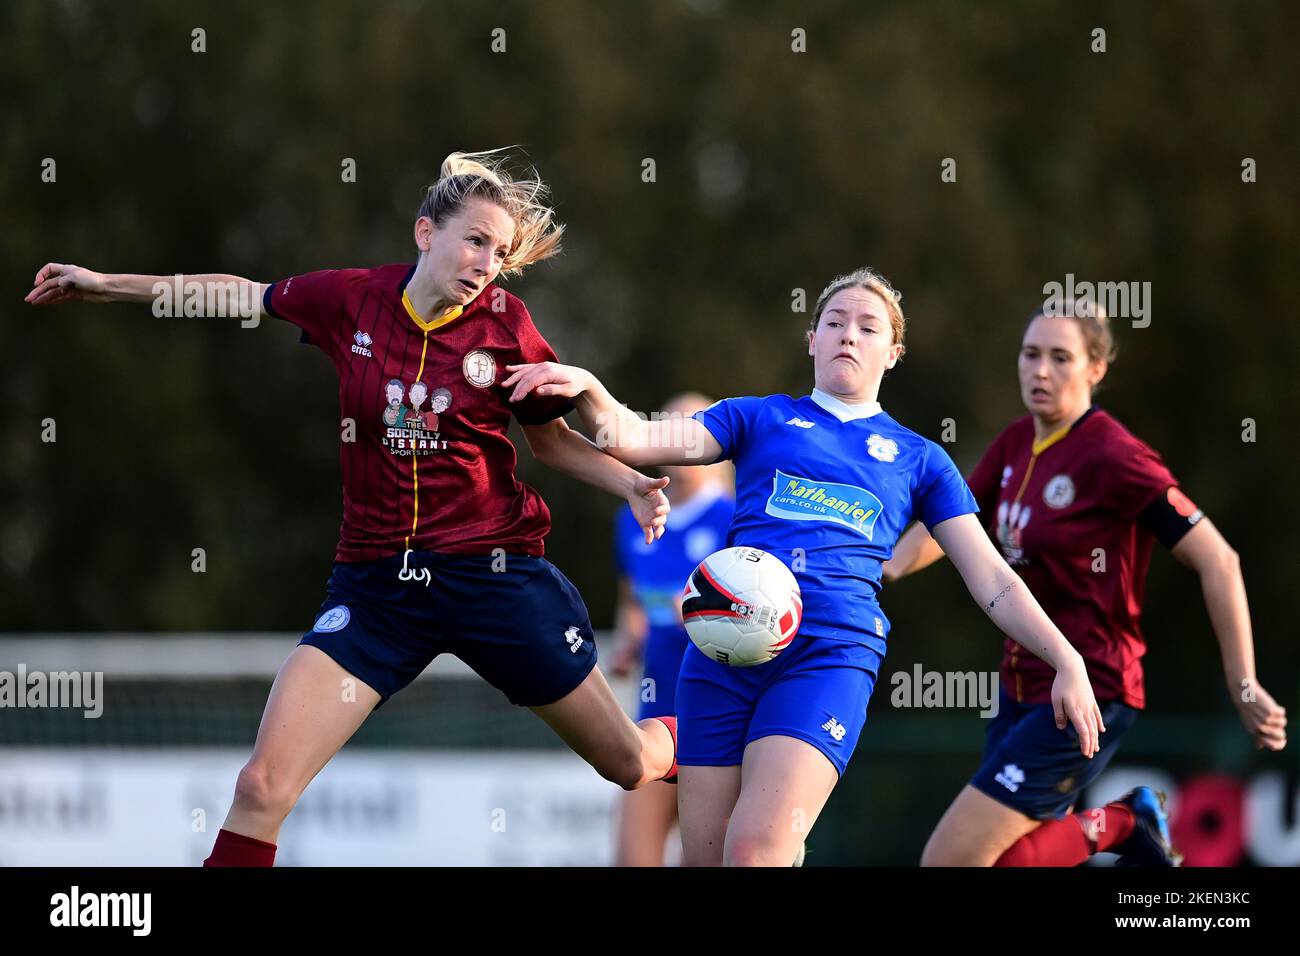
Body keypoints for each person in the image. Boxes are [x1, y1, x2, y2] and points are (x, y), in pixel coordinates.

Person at [25, 149, 679, 867]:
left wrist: (629, 483)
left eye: (499, 252)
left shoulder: (505, 326)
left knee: (628, 762)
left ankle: (694, 731)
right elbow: (241, 294)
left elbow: (551, 443)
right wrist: (103, 284)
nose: (486, 262)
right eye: (475, 240)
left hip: (493, 577)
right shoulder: (352, 299)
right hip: (378, 590)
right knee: (262, 784)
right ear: (425, 233)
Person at [502, 267, 1105, 866]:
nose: (848, 335)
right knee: (706, 861)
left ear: (893, 353)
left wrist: (1066, 659)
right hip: (718, 651)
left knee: (755, 849)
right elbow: (627, 434)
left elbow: (993, 577)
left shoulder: (922, 461)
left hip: (829, 654)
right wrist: (584, 384)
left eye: (868, 328)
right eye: (834, 322)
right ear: (811, 340)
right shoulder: (755, 418)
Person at [880, 298, 1288, 867]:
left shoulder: (1117, 457)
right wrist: (880, 565)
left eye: (1060, 357)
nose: (1040, 371)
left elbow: (1220, 560)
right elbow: (949, 528)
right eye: (1030, 354)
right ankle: (1132, 821)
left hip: (1091, 687)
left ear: (1096, 369)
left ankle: (1124, 822)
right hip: (1020, 687)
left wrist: (1244, 684)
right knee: (1006, 862)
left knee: (949, 860)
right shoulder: (1014, 444)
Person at [609, 392, 734, 866]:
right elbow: (634, 603)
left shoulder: (735, 519)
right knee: (632, 856)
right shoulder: (631, 517)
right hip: (655, 710)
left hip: (720, 715)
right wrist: (629, 641)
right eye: (671, 425)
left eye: (693, 427)